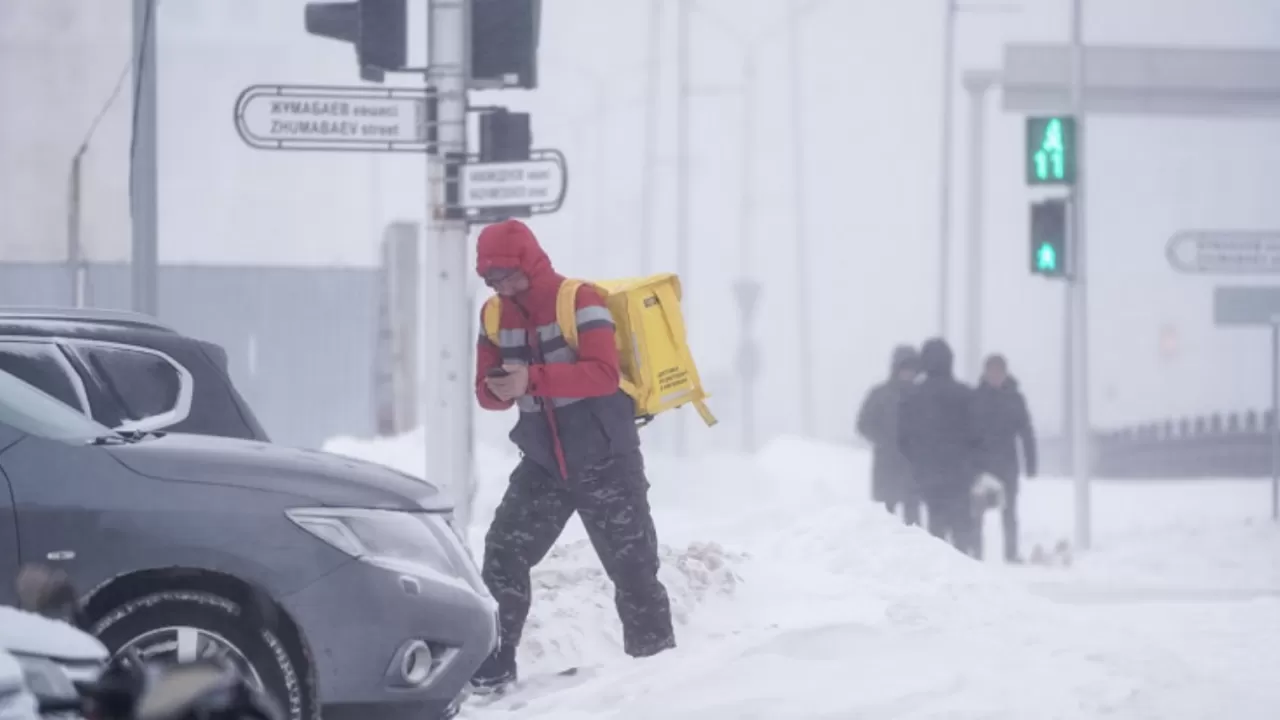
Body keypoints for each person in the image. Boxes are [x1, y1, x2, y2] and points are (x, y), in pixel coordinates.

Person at [469, 219, 675, 692]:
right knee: (503, 552)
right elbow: (487, 395)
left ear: (528, 262)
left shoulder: (579, 300)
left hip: (606, 460)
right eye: (489, 279)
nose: (498, 286)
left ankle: (662, 681)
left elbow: (602, 374)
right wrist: (497, 388)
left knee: (635, 573)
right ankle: (493, 666)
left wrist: (532, 380)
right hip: (543, 464)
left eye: (504, 275)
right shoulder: (493, 316)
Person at [898, 338, 983, 556]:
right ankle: (966, 571)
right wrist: (973, 466)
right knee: (961, 527)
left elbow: (903, 437)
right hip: (960, 474)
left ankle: (942, 572)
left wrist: (916, 463)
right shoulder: (964, 394)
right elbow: (978, 435)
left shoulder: (913, 396)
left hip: (928, 475)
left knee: (936, 529)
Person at [972, 353, 1038, 563]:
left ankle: (1010, 553)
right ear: (985, 373)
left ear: (1004, 373)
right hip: (982, 465)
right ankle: (976, 555)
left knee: (1009, 512)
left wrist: (1031, 463)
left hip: (1007, 463)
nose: (995, 376)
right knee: (977, 512)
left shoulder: (1014, 399)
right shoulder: (976, 398)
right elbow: (967, 432)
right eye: (991, 371)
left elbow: (1026, 433)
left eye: (998, 372)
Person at [855, 345, 922, 525]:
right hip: (886, 466)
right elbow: (862, 424)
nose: (908, 373)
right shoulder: (880, 394)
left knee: (914, 525)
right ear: (895, 368)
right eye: (904, 368)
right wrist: (883, 440)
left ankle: (914, 553)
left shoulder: (921, 395)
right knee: (883, 521)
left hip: (912, 467)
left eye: (912, 369)